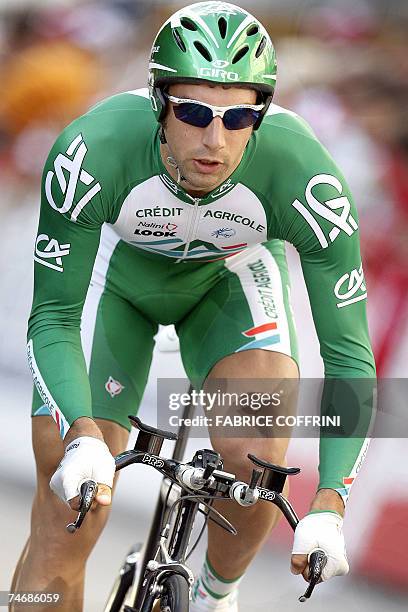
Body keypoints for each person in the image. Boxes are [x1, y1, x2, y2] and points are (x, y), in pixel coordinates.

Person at [11, 2, 376, 611]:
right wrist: (80, 438)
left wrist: (330, 503)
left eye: (238, 116)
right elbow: (52, 318)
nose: (215, 139)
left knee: (258, 464)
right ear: (159, 101)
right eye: (193, 112)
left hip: (229, 285)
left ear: (261, 114)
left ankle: (214, 596)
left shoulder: (305, 176)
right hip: (117, 282)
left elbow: (348, 351)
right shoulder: (91, 154)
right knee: (67, 511)